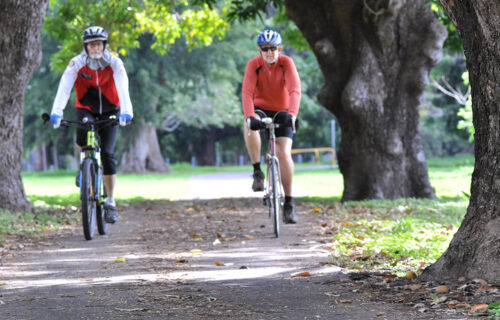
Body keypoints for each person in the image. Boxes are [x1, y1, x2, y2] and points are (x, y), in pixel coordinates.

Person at [49, 26, 133, 224]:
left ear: (104, 45)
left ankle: (110, 202)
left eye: (98, 44)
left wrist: (127, 111)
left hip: (111, 110)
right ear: (85, 46)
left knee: (108, 154)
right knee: (81, 138)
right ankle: (84, 167)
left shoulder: (114, 62)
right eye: (91, 44)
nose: (95, 47)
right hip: (86, 109)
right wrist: (57, 111)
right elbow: (64, 86)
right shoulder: (76, 63)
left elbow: (123, 85)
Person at [241, 29, 301, 224]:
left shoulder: (287, 63)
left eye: (273, 48)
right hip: (261, 109)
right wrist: (250, 116)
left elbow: (294, 90)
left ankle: (289, 203)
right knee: (248, 125)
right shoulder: (253, 65)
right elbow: (247, 93)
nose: (269, 52)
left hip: (283, 110)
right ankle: (257, 170)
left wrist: (292, 115)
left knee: (283, 153)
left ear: (279, 49)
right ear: (259, 50)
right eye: (265, 49)